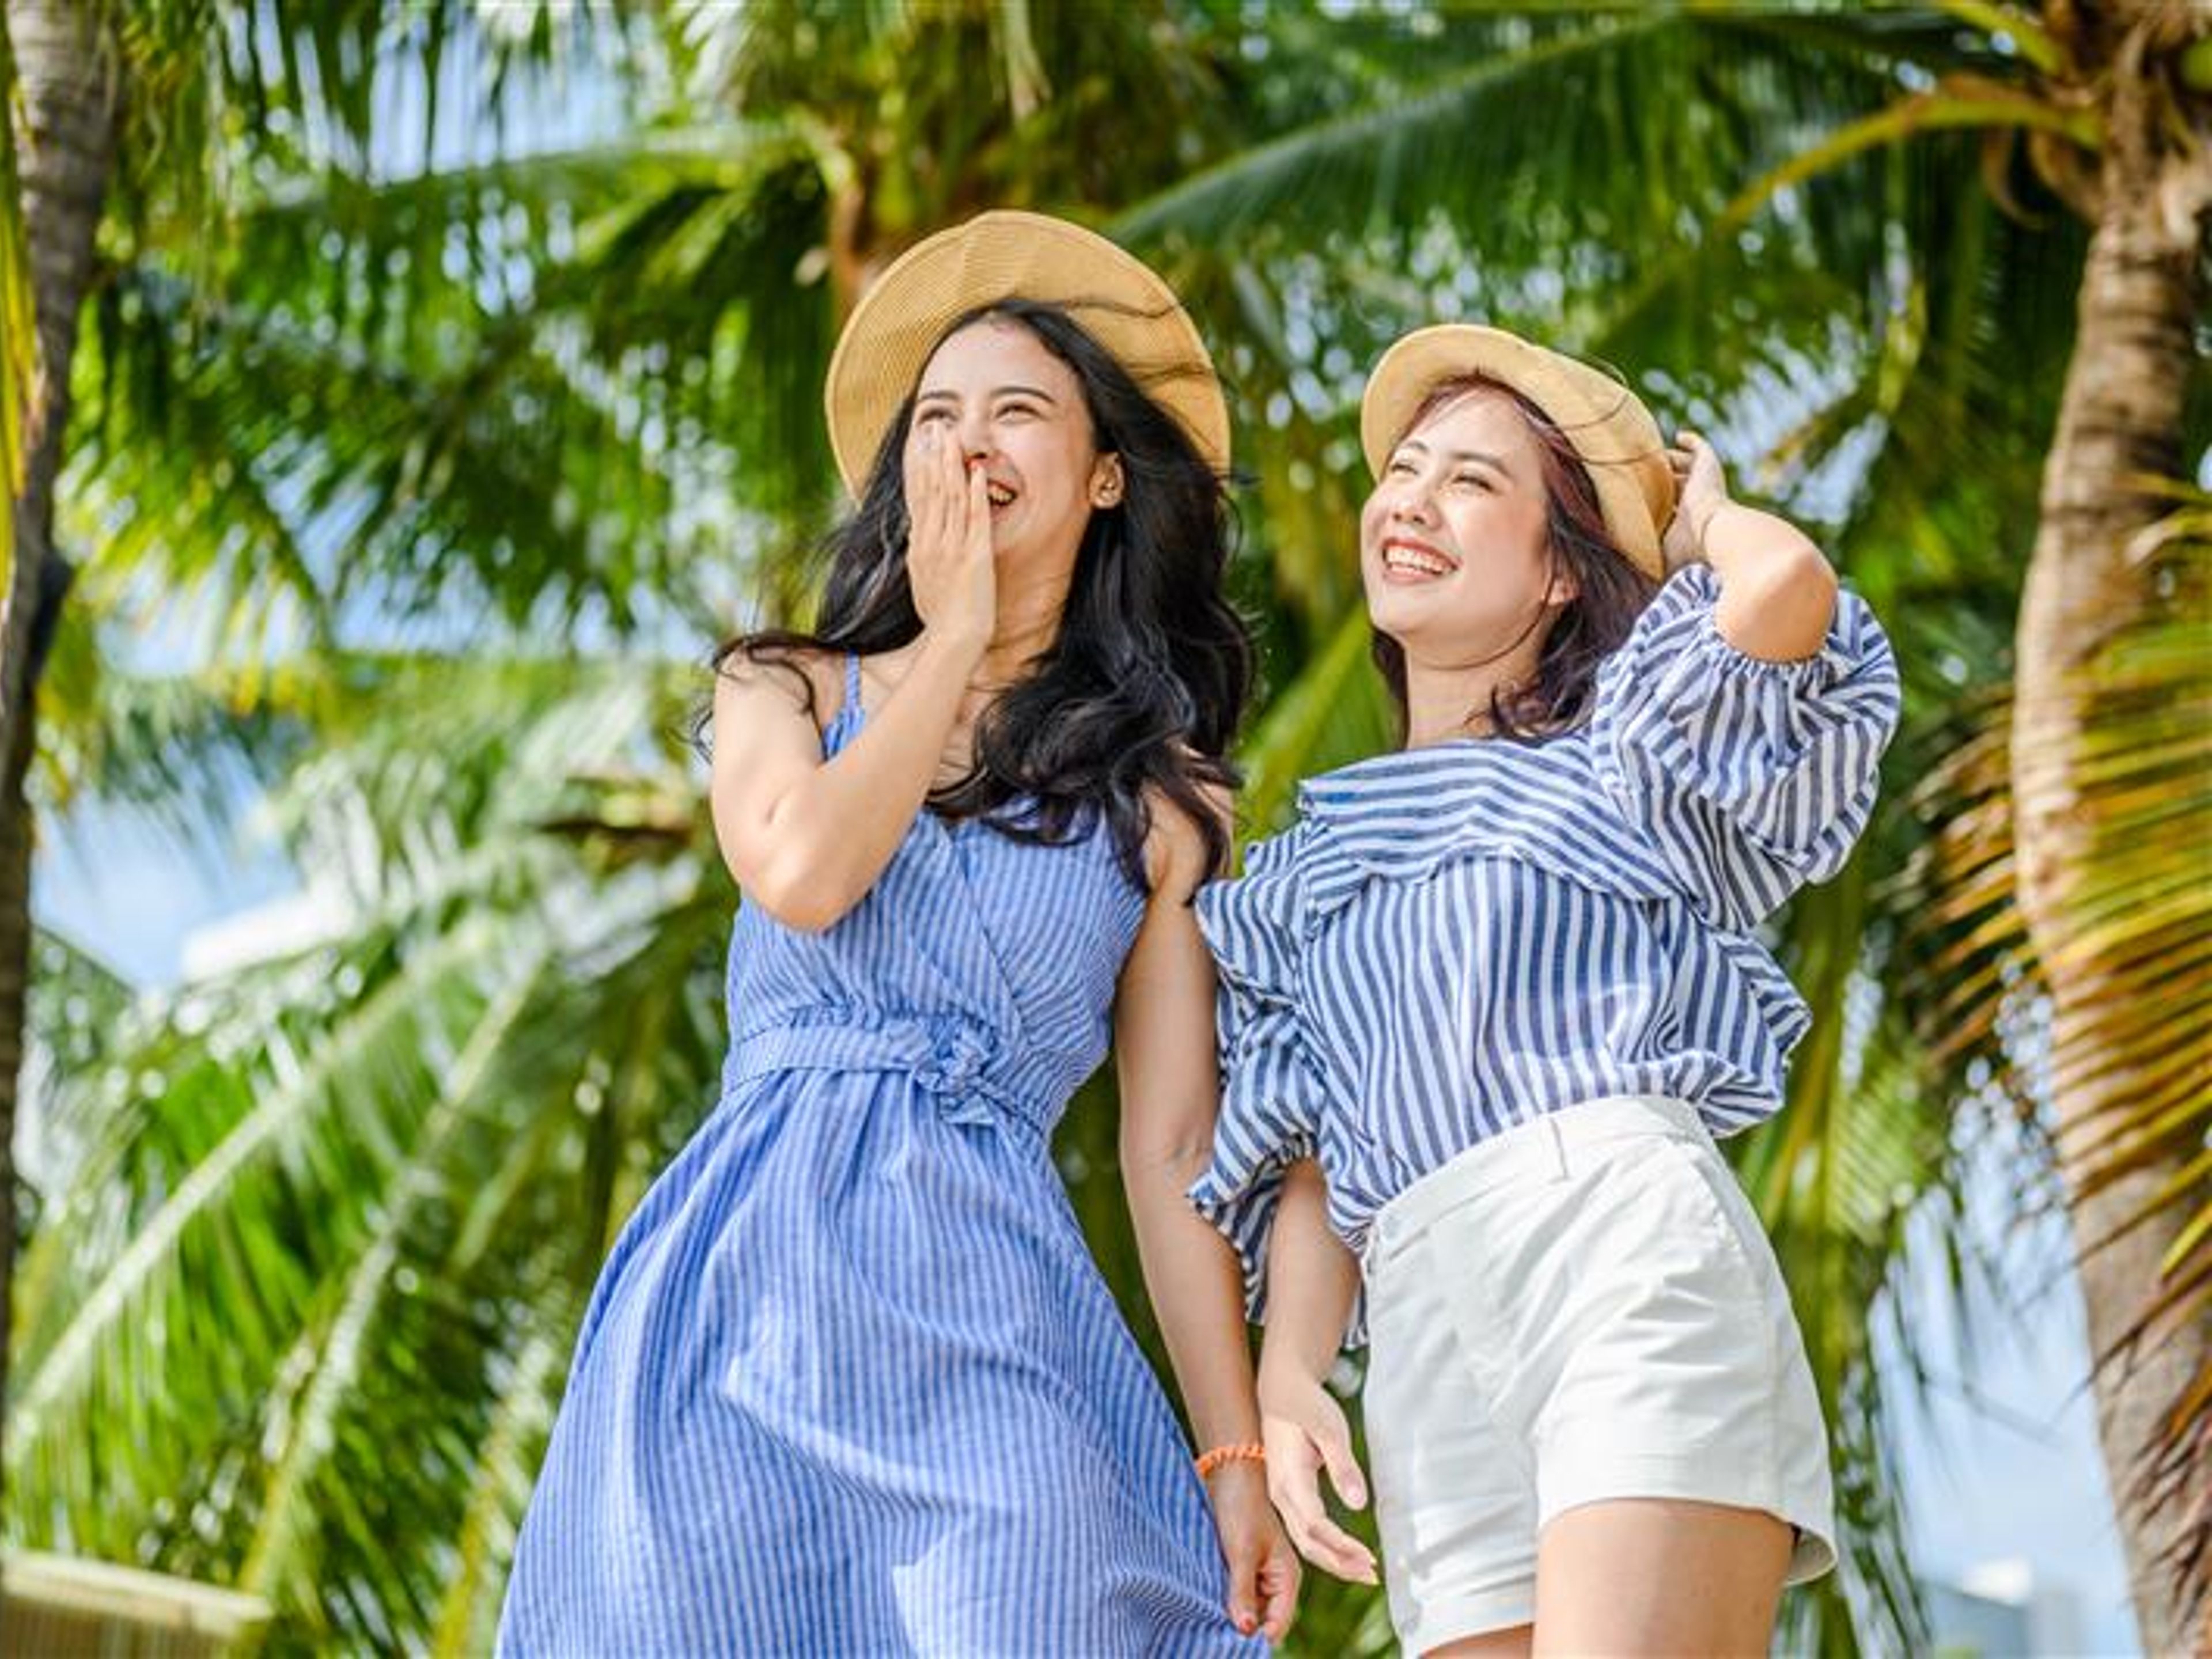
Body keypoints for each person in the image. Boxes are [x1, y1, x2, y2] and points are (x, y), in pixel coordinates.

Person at [499, 211, 1295, 1656]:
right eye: (938, 417)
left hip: (990, 1312)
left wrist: (1234, 1458)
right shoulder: (786, 688)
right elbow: (804, 872)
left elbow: (1172, 1152)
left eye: (1017, 412)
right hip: (741, 1298)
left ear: (1107, 476)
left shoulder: (1163, 804)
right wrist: (947, 641)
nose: (970, 441)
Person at [1189, 324, 1900, 1656]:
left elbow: (1789, 595)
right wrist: (1288, 1372)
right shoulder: (1305, 866)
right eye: (1405, 469)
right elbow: (1313, 1154)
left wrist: (1705, 526)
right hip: (1421, 1321)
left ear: (1563, 574)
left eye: (1471, 481)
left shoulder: (1626, 755)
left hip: (1614, 1250)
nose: (1411, 500)